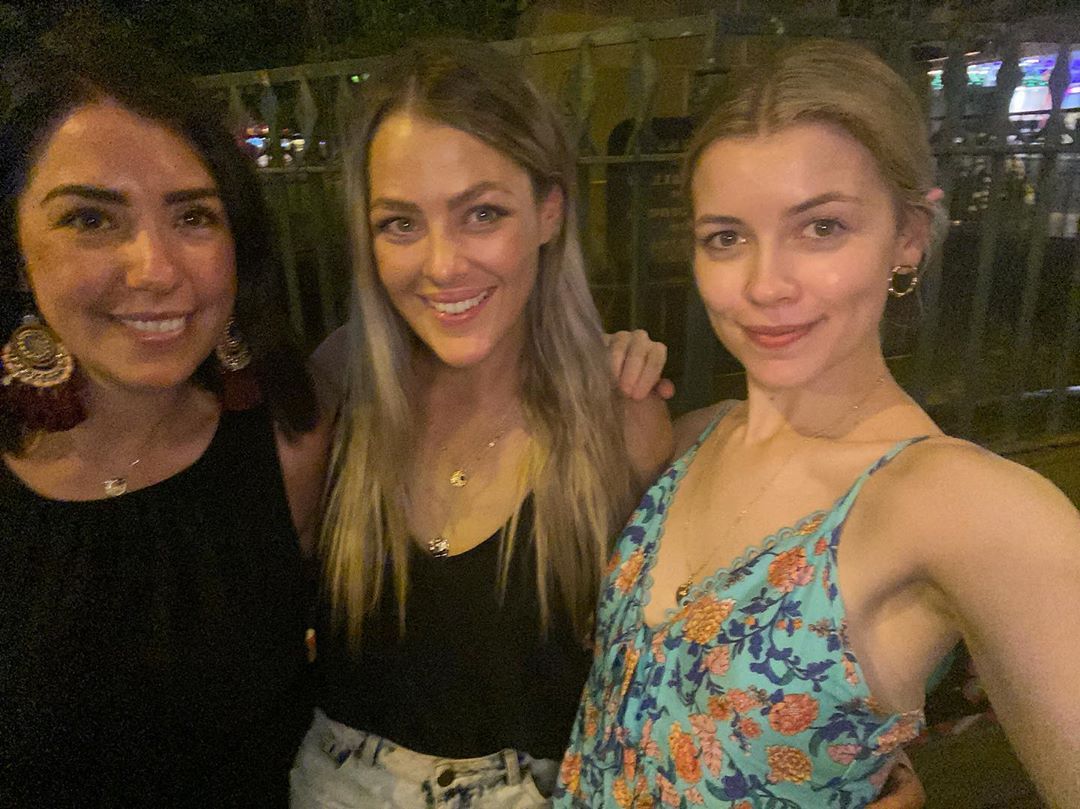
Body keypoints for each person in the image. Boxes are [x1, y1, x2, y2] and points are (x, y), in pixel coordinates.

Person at [556, 40, 1080, 807]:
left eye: (822, 228)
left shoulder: (956, 501)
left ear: (908, 237)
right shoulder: (695, 436)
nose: (765, 284)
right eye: (726, 237)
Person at [289, 39, 675, 808]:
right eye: (401, 223)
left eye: (483, 213)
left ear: (549, 211)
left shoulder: (619, 413)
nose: (442, 264)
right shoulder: (338, 388)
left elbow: (682, 656)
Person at [0, 28, 333, 807]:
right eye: (90, 219)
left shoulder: (291, 439)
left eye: (193, 217)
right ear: (15, 252)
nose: (155, 269)